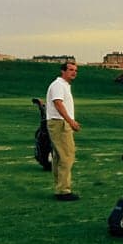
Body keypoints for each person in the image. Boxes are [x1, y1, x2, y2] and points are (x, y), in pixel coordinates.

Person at [46, 62, 82, 201]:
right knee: (67, 155)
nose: (74, 72)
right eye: (71, 70)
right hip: (59, 123)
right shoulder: (58, 85)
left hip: (60, 122)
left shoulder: (64, 85)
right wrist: (70, 121)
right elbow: (58, 103)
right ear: (63, 71)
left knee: (60, 156)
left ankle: (60, 188)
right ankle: (63, 190)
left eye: (75, 70)